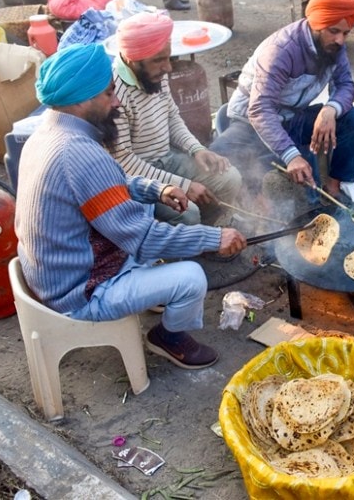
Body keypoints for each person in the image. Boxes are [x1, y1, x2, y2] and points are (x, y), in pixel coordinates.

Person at [14, 43, 248, 370]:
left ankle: (152, 295)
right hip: (79, 292)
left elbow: (108, 185)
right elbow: (143, 239)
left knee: (153, 220)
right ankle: (169, 338)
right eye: (109, 94)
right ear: (81, 100)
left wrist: (157, 189)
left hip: (55, 270)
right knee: (192, 276)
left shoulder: (48, 133)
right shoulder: (79, 154)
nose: (117, 101)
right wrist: (214, 238)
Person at [209, 0, 354, 200]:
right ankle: (253, 204)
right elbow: (260, 109)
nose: (340, 40)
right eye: (333, 31)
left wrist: (330, 109)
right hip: (252, 122)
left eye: (345, 33)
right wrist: (291, 155)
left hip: (293, 117)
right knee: (217, 157)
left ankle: (333, 190)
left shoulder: (335, 47)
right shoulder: (281, 50)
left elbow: (346, 85)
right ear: (316, 25)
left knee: (352, 118)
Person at [109, 12, 242, 227]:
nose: (168, 68)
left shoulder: (154, 75)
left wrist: (196, 149)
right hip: (139, 178)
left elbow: (172, 117)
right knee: (186, 212)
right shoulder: (115, 92)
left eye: (168, 58)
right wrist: (183, 184)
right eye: (159, 61)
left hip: (168, 159)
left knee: (230, 178)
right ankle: (186, 244)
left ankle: (211, 231)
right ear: (133, 59)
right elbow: (125, 163)